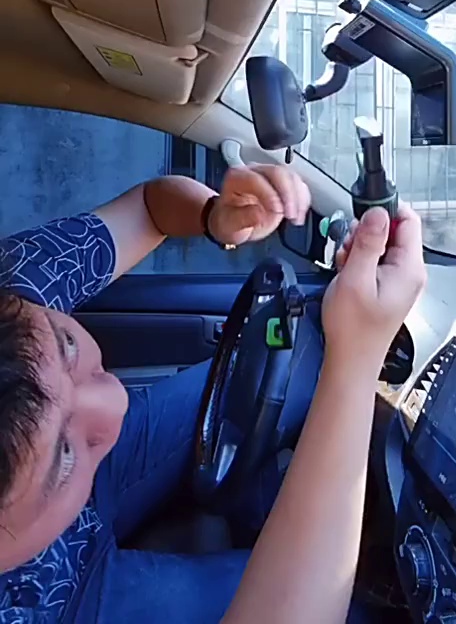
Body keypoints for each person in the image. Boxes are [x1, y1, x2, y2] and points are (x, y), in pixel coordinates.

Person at [0, 163, 425, 623]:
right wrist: (357, 360)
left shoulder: (11, 298)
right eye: (63, 455)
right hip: (65, 604)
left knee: (298, 357)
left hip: (100, 480)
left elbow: (148, 210)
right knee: (346, 604)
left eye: (66, 346)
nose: (116, 401)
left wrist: (214, 216)